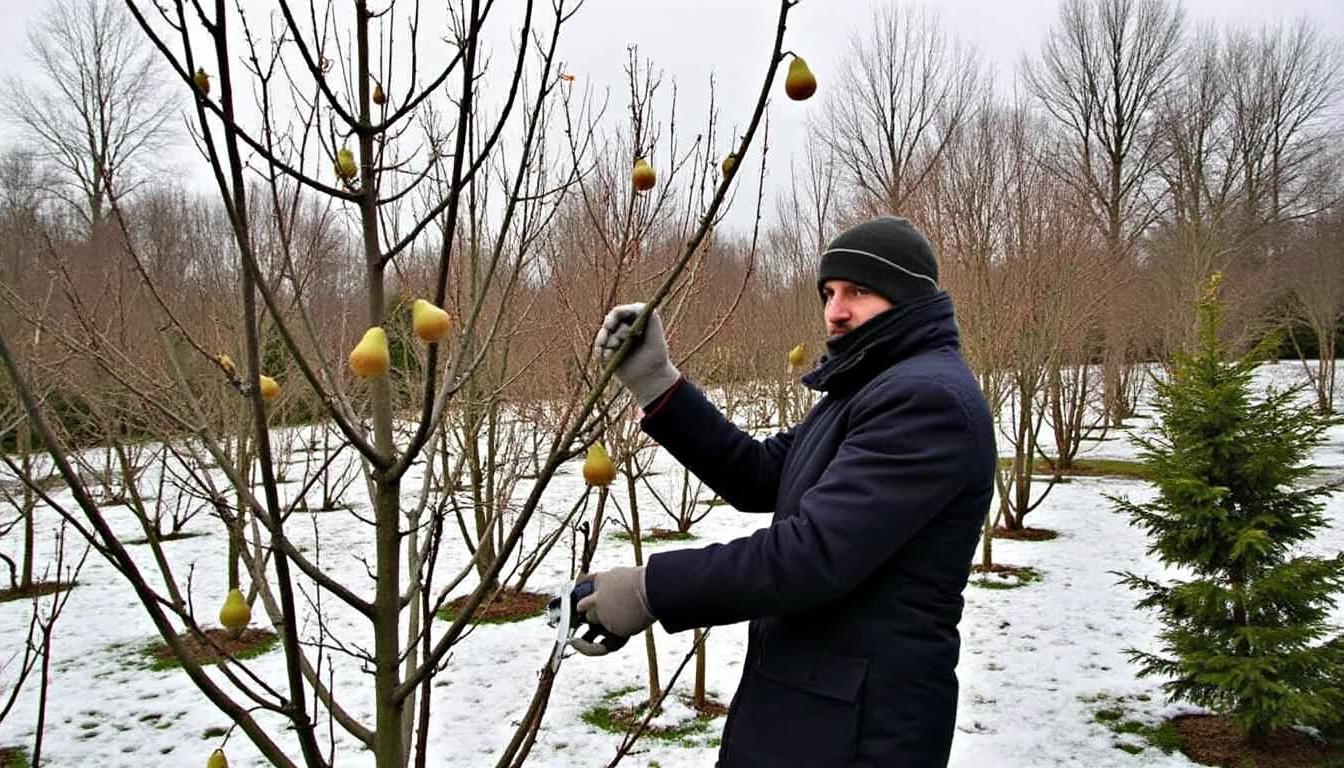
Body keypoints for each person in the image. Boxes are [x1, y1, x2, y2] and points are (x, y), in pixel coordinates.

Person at [579, 216, 995, 767]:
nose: (835, 311)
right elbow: (759, 474)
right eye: (829, 292)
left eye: (859, 291)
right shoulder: (867, 389)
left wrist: (651, 588)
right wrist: (657, 382)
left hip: (863, 729)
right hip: (818, 711)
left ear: (911, 297)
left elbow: (811, 556)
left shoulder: (926, 401)